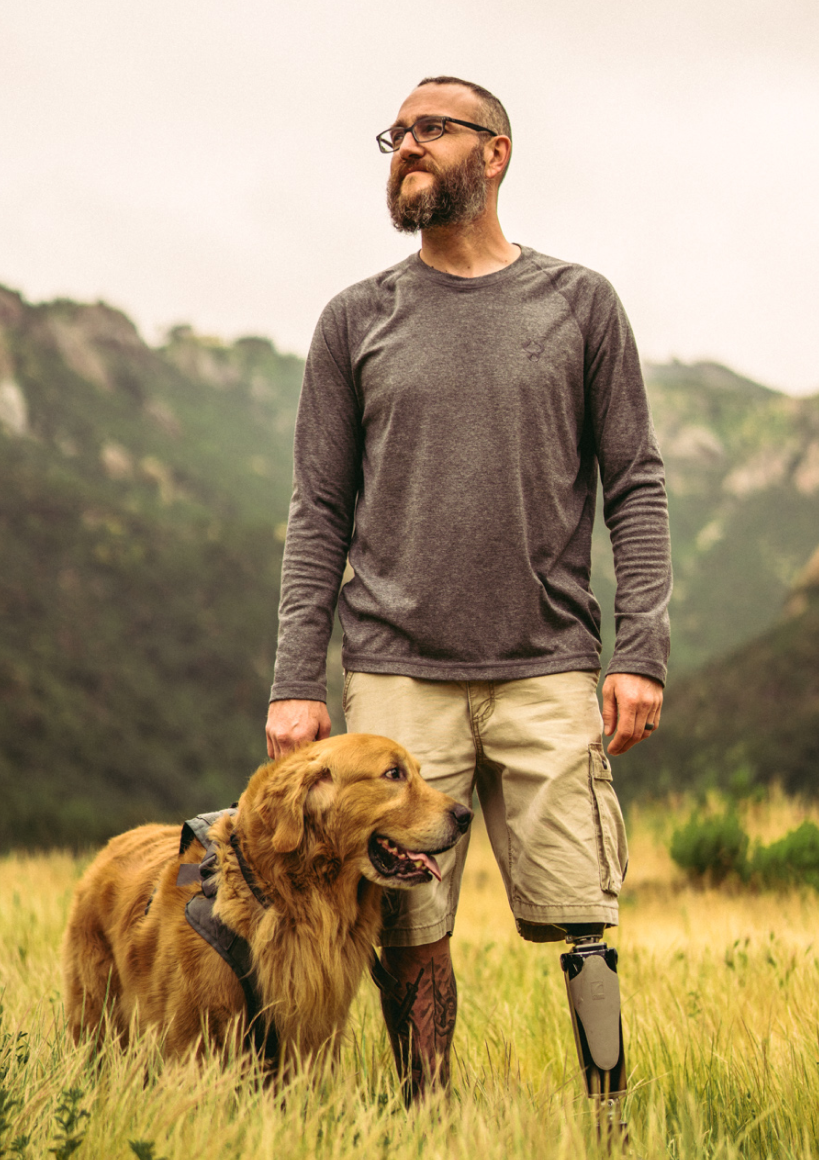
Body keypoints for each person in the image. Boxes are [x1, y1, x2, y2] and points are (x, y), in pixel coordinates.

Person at [265, 75, 671, 1105]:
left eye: (431, 129)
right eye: (396, 133)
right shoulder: (355, 317)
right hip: (398, 669)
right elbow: (318, 506)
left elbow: (636, 483)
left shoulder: (581, 305)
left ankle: (610, 1122)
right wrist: (294, 680)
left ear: (495, 154)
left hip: (549, 665)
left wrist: (640, 651)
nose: (406, 145)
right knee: (409, 928)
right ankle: (423, 1120)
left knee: (585, 916)